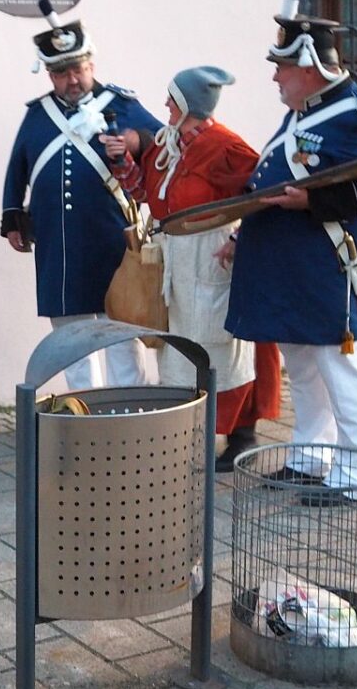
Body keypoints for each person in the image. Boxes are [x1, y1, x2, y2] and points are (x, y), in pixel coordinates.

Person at [221, 0, 357, 503]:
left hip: (333, 270)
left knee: (343, 370)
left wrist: (312, 204)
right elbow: (273, 176)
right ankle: (310, 458)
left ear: (309, 65)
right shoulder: (305, 108)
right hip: (294, 271)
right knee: (302, 366)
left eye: (282, 66)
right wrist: (241, 232)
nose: (275, 75)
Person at [111, 66, 282, 471]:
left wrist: (239, 240)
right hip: (175, 258)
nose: (166, 106)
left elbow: (263, 194)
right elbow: (145, 193)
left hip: (210, 254)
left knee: (220, 347)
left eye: (173, 99)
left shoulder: (226, 146)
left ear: (190, 104)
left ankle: (240, 435)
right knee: (180, 350)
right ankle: (188, 435)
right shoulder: (168, 145)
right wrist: (122, 162)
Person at [1, 3, 163, 390]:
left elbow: (162, 145)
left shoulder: (122, 104)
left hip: (113, 237)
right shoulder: (38, 115)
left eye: (78, 68)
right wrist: (11, 218)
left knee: (120, 331)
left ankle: (130, 408)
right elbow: (17, 166)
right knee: (73, 337)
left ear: (91, 64)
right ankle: (86, 411)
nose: (72, 79)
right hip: (59, 242)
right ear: (49, 73)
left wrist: (134, 141)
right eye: (61, 72)